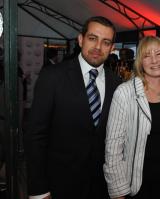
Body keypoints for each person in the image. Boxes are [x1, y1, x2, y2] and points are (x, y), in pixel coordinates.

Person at [25, 16, 121, 199]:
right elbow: (35, 135)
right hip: (59, 185)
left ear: (112, 48)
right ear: (80, 39)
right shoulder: (52, 77)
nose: (98, 47)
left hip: (101, 187)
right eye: (93, 38)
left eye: (106, 42)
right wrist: (39, 190)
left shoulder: (117, 83)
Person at [104, 36, 160, 199]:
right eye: (147, 56)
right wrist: (118, 191)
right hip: (138, 183)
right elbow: (113, 146)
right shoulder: (125, 92)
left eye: (158, 54)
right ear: (140, 62)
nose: (154, 60)